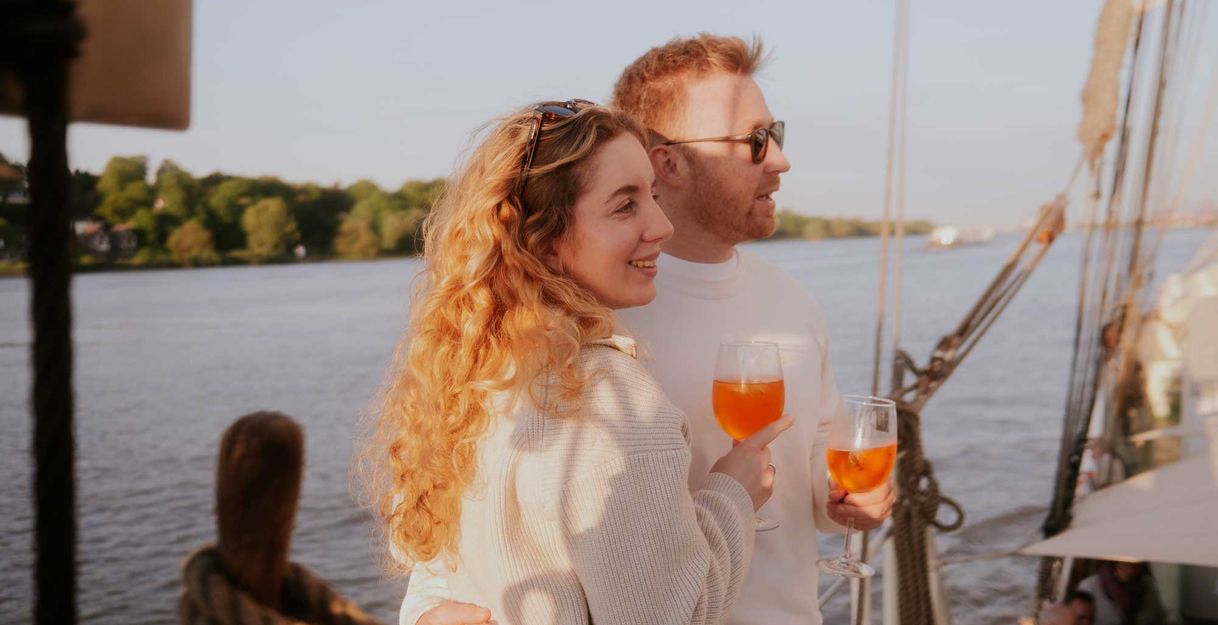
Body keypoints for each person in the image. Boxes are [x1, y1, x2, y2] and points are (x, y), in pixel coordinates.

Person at [411, 34, 895, 625]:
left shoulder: (793, 301)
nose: (780, 159)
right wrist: (427, 613)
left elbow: (816, 450)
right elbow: (449, 527)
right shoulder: (581, 330)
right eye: (755, 141)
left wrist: (847, 498)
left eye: (778, 135)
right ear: (670, 160)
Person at [370, 101, 792, 625]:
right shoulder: (612, 400)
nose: (660, 226)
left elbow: (444, 572)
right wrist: (734, 493)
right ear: (543, 242)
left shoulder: (472, 375)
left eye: (653, 197)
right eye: (624, 206)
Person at [1076, 561, 1169, 625]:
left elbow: (1158, 618)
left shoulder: (1148, 587)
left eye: (1135, 566)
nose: (1130, 571)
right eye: (1125, 564)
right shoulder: (1090, 586)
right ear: (1115, 562)